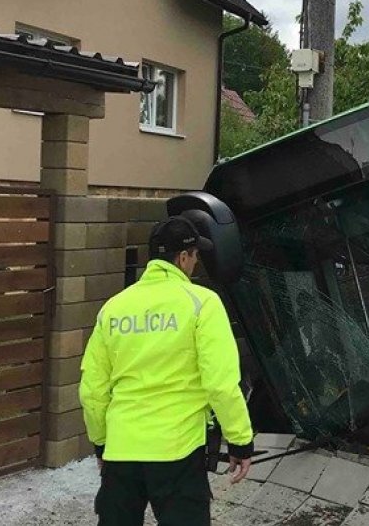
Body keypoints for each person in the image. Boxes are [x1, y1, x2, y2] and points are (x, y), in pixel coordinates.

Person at [79, 217, 253, 526]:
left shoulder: (114, 307)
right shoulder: (202, 303)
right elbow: (221, 384)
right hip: (178, 452)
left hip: (122, 450)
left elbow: (92, 390)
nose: (195, 264)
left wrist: (102, 443)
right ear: (183, 257)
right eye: (195, 256)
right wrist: (240, 441)